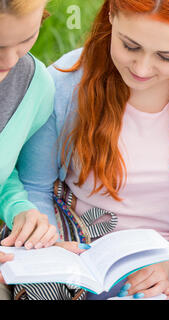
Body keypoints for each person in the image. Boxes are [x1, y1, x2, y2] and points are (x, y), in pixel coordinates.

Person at [18, 0, 169, 300]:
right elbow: (35, 185)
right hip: (90, 259)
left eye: (166, 56)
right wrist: (60, 254)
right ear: (111, 14)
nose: (142, 69)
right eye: (130, 46)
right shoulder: (63, 83)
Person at [0, 0, 59, 300]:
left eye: (26, 39)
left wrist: (19, 208)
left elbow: (4, 171)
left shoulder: (35, 86)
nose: (10, 61)